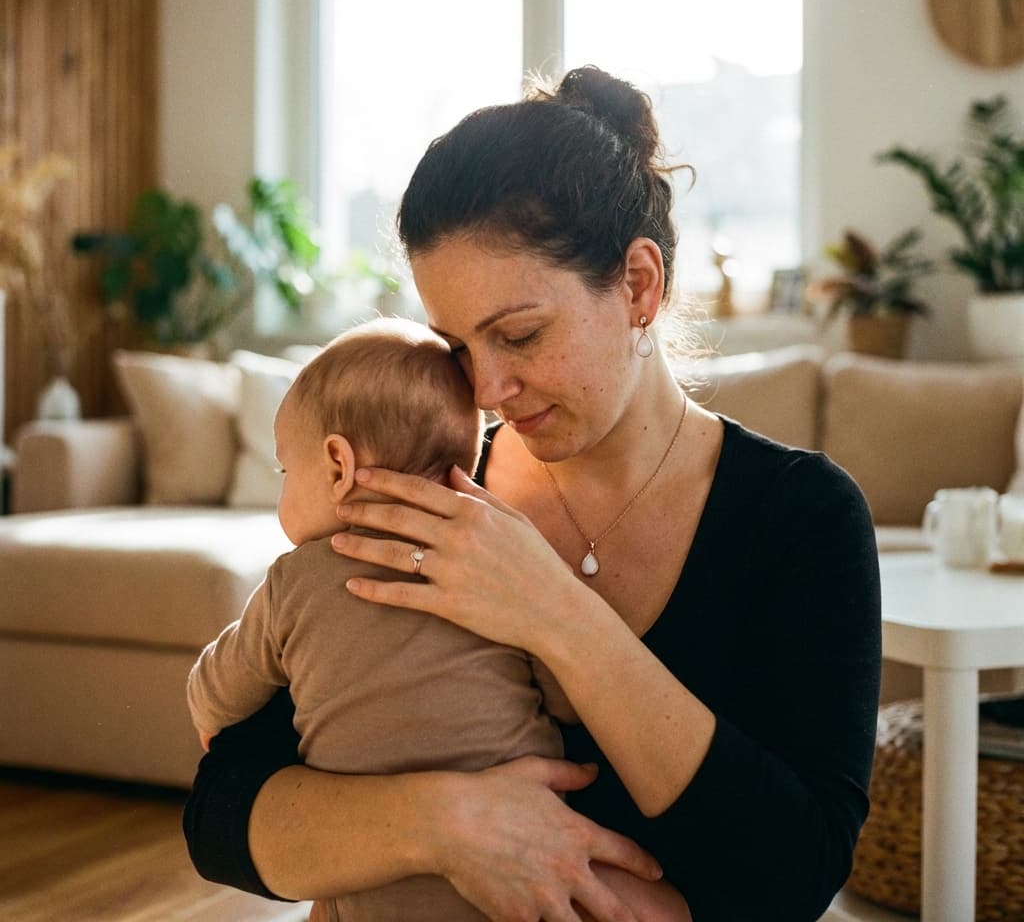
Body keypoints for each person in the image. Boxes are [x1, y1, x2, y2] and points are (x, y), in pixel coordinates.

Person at [184, 65, 881, 922]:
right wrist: (446, 823)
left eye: (520, 334)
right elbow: (222, 810)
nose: (485, 390)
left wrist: (553, 611)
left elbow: (792, 875)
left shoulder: (800, 517)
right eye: (455, 347)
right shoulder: (426, 478)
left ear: (637, 286)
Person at [186, 316, 689, 922]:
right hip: (535, 879)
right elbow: (562, 698)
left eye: (286, 474)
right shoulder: (496, 568)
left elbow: (219, 689)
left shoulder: (294, 581)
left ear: (338, 467)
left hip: (375, 884)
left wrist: (210, 714)